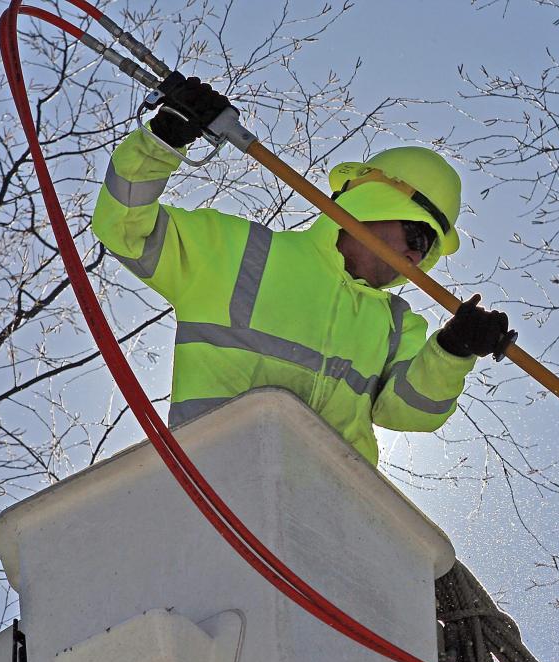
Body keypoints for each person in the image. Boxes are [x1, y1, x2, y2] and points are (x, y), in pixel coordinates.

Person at [92, 77, 509, 467]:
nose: (418, 257)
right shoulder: (236, 254)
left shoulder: (397, 325)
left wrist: (452, 353)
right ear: (376, 205)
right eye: (418, 236)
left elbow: (410, 413)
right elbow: (127, 229)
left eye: (429, 249)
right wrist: (163, 141)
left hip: (328, 513)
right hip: (215, 481)